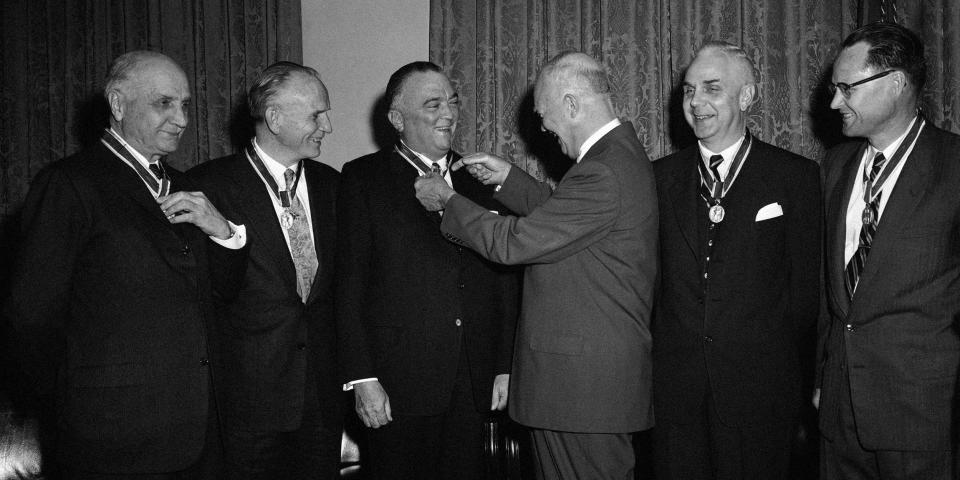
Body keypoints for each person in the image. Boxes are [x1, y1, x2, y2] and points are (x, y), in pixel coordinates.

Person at [2, 50, 248, 478]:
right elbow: (30, 317)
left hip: (195, 435)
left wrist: (223, 231)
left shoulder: (189, 189)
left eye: (185, 104)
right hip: (109, 439)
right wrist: (70, 405)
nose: (182, 119)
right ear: (117, 104)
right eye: (164, 103)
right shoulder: (69, 184)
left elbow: (222, 296)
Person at [414, 51, 657, 480]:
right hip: (586, 392)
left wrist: (449, 201)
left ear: (570, 105)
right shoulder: (616, 158)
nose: (543, 127)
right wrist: (509, 179)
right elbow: (566, 220)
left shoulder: (602, 172)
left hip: (580, 394)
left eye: (544, 115)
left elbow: (515, 243)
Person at [335, 61, 519, 480]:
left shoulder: (481, 176)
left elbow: (504, 281)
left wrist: (504, 364)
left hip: (472, 380)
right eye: (433, 104)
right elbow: (349, 285)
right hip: (397, 384)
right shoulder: (363, 179)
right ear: (397, 119)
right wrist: (362, 377)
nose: (449, 114)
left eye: (452, 102)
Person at [651, 41, 820, 480]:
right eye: (689, 91)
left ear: (747, 97)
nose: (696, 103)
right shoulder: (659, 178)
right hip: (676, 395)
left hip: (759, 394)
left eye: (712, 89)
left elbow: (806, 294)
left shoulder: (796, 177)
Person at [816, 21, 960, 480]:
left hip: (921, 413)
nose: (835, 102)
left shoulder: (954, 166)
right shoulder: (835, 165)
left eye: (846, 88)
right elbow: (828, 290)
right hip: (840, 412)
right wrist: (822, 377)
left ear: (895, 84)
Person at [185, 62, 342, 479]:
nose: (328, 125)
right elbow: (206, 297)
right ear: (274, 117)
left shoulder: (333, 186)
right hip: (246, 404)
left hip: (323, 402)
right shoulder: (209, 187)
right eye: (316, 114)